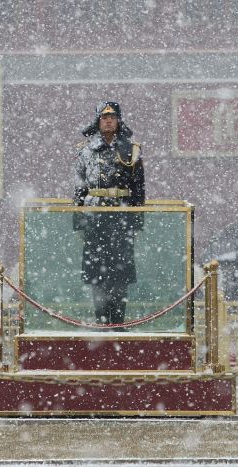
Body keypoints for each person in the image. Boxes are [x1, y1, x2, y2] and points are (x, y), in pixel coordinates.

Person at [73, 101, 145, 329]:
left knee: (120, 274)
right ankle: (101, 322)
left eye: (112, 116)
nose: (108, 120)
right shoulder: (85, 150)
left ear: (119, 120)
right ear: (97, 121)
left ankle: (118, 323)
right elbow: (79, 189)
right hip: (95, 217)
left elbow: (138, 190)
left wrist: (136, 221)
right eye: (104, 117)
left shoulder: (131, 150)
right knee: (97, 274)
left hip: (121, 216)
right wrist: (79, 223)